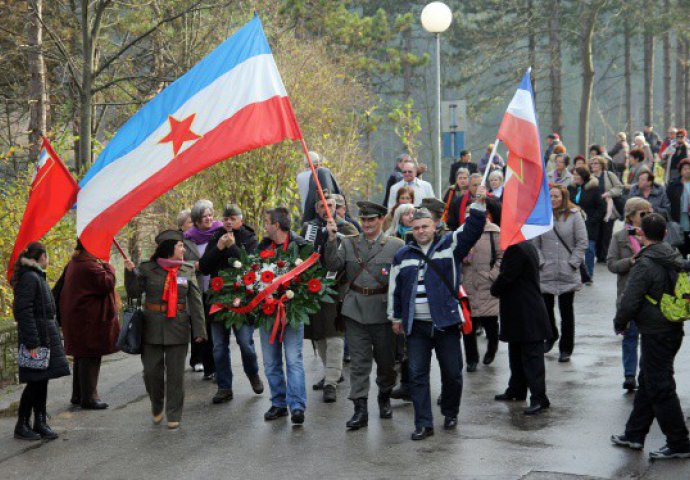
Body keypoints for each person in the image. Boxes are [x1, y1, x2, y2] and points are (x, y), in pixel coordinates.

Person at [389, 192, 487, 441]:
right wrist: (396, 317)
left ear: (435, 226)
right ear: (410, 228)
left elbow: (473, 229)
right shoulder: (403, 255)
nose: (421, 231)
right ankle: (424, 423)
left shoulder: (450, 245)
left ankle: (450, 411)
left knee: (453, 373)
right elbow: (395, 289)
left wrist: (478, 205)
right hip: (417, 327)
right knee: (418, 376)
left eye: (425, 226)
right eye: (417, 227)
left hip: (445, 323)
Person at [611, 213, 690, 460]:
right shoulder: (674, 256)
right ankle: (634, 434)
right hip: (672, 326)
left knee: (660, 386)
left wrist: (619, 322)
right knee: (648, 380)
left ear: (642, 234)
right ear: (665, 233)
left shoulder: (645, 263)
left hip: (655, 331)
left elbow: (630, 300)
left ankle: (679, 442)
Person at [323, 201, 404, 430]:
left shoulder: (396, 245)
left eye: (371, 220)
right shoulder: (348, 244)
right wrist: (330, 240)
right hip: (355, 310)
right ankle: (360, 409)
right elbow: (332, 265)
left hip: (383, 311)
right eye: (363, 220)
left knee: (387, 363)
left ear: (381, 220)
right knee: (359, 363)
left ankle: (384, 396)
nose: (366, 224)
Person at [125, 231, 207, 430]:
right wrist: (129, 273)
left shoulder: (186, 270)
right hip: (151, 326)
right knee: (152, 372)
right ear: (169, 249)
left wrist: (199, 330)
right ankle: (156, 402)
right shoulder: (147, 268)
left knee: (176, 375)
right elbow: (134, 293)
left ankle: (174, 412)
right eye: (180, 246)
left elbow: (195, 302)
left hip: (178, 326)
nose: (183, 249)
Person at [198, 203, 264, 404]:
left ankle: (252, 373)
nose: (228, 222)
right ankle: (224, 387)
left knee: (245, 343)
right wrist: (218, 248)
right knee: (218, 346)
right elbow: (204, 267)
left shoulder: (249, 238)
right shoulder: (216, 237)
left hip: (241, 298)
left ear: (240, 220)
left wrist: (232, 247)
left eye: (232, 218)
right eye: (225, 218)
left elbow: (251, 267)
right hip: (218, 298)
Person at [301, 195, 358, 403]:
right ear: (317, 209)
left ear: (337, 207)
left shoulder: (348, 228)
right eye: (322, 206)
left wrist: (335, 236)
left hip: (337, 288)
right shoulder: (309, 228)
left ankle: (331, 382)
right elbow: (302, 254)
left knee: (334, 335)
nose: (327, 209)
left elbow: (351, 255)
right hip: (313, 287)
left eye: (331, 205)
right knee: (319, 335)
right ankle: (332, 372)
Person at [12, 242, 70, 441]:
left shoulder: (36, 276)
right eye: (47, 255)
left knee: (41, 381)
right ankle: (22, 424)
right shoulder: (30, 278)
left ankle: (40, 421)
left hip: (44, 334)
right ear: (40, 257)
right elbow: (23, 311)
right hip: (37, 338)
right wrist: (32, 342)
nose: (49, 259)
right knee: (35, 382)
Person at [256, 207, 308, 424]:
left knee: (293, 359)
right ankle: (278, 403)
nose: (265, 226)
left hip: (292, 312)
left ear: (276, 225)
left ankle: (297, 406)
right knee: (270, 362)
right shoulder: (262, 247)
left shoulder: (301, 245)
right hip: (268, 311)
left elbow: (311, 280)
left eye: (267, 222)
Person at [490, 240, 552, 415]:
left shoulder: (516, 248)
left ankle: (539, 398)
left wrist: (494, 288)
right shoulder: (524, 244)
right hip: (520, 311)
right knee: (516, 351)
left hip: (526, 311)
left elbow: (508, 276)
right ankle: (516, 390)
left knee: (532, 358)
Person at [59, 240, 120, 410]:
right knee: (90, 356)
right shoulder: (88, 266)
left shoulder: (75, 263)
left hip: (80, 319)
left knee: (82, 356)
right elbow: (107, 283)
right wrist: (109, 267)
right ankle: (89, 398)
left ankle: (78, 395)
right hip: (88, 320)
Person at [533, 185, 588, 362]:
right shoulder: (542, 216)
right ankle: (551, 335)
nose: (554, 199)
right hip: (546, 271)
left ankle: (566, 348)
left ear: (563, 197)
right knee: (545, 310)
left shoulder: (574, 215)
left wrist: (572, 262)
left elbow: (582, 242)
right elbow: (535, 244)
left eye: (557, 196)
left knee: (566, 312)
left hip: (567, 271)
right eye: (551, 197)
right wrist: (541, 262)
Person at [606, 198, 653, 392]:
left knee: (650, 338)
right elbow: (611, 264)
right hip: (628, 294)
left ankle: (645, 374)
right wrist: (630, 261)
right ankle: (629, 375)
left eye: (650, 212)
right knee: (630, 336)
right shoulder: (619, 237)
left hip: (651, 295)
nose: (647, 216)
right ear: (631, 215)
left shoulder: (654, 234)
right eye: (643, 213)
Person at [184, 200, 224, 380]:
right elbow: (183, 263)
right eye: (204, 216)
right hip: (200, 290)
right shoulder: (188, 239)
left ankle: (220, 368)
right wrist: (197, 265)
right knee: (205, 330)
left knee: (219, 333)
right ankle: (210, 369)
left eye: (210, 215)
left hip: (220, 289)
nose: (208, 219)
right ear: (196, 221)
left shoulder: (220, 232)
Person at [462, 199, 503, 365]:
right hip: (467, 284)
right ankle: (471, 358)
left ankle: (492, 348)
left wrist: (493, 275)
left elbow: (502, 256)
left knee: (490, 323)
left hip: (487, 284)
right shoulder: (461, 232)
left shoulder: (494, 232)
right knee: (468, 326)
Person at [178, 209, 205, 373]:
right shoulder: (179, 242)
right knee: (185, 323)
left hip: (200, 285)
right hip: (183, 285)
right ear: (181, 226)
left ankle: (197, 358)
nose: (193, 225)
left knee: (198, 321)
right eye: (189, 222)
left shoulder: (201, 237)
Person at [569, 167, 605, 281]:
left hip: (589, 223)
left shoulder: (593, 189)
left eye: (577, 175)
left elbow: (601, 207)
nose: (575, 177)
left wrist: (593, 220)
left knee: (589, 248)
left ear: (583, 176)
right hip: (574, 222)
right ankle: (576, 272)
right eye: (573, 174)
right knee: (574, 248)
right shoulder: (570, 188)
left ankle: (589, 274)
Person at [590, 156, 624, 263]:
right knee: (597, 233)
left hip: (609, 209)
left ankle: (605, 256)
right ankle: (599, 254)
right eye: (592, 163)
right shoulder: (590, 177)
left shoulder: (609, 175)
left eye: (596, 163)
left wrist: (609, 193)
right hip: (595, 210)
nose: (594, 165)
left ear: (601, 165)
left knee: (607, 234)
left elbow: (619, 187)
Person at [301, 151, 342, 223]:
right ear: (318, 162)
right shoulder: (324, 172)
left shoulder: (302, 176)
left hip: (312, 219)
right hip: (330, 218)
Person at [666, 159, 690, 257]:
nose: (688, 170)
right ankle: (683, 267)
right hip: (679, 217)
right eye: (685, 169)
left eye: (689, 168)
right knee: (680, 242)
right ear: (680, 170)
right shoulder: (673, 185)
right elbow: (667, 202)